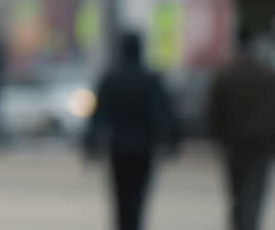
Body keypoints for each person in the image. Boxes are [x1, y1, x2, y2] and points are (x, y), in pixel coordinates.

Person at [84, 31, 181, 230]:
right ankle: (134, 225)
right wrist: (172, 141)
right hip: (144, 149)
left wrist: (91, 144)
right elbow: (163, 113)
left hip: (118, 148)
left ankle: (124, 225)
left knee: (120, 197)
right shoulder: (150, 79)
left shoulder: (111, 78)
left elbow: (99, 115)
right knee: (139, 195)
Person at [204, 27, 275, 230]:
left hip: (233, 142)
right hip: (261, 144)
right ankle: (249, 224)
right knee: (254, 193)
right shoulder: (267, 75)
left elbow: (213, 111)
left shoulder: (225, 74)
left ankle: (239, 224)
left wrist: (217, 137)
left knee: (236, 192)